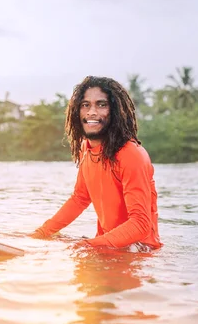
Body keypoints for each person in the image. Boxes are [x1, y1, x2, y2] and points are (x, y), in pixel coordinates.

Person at [30, 75, 162, 250]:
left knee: (75, 251)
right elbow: (80, 198)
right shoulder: (86, 148)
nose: (92, 112)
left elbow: (140, 224)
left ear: (114, 111)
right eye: (86, 105)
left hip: (139, 250)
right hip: (106, 245)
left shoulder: (132, 154)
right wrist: (41, 233)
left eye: (101, 105)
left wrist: (89, 246)